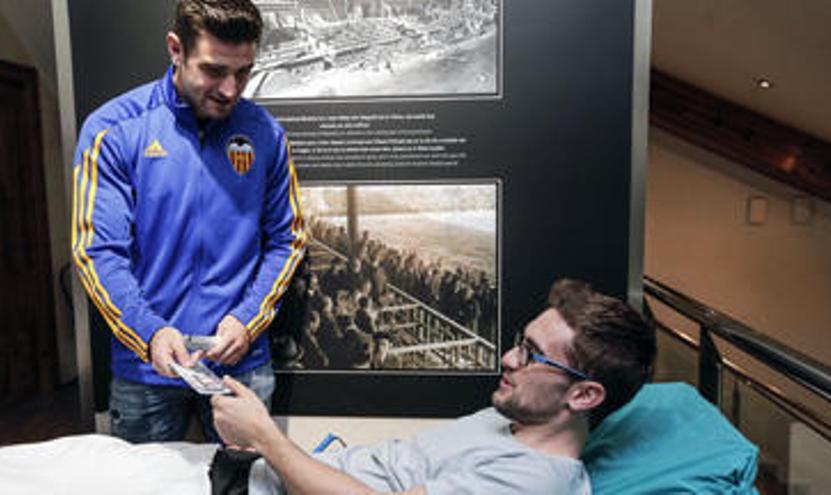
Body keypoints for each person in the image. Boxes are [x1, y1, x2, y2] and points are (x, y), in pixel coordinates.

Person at [70, 0, 305, 443]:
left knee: (247, 486)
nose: (231, 89)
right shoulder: (114, 129)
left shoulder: (266, 134)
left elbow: (287, 240)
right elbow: (97, 252)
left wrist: (247, 319)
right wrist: (150, 332)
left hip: (240, 362)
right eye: (214, 70)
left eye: (244, 72)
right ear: (175, 49)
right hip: (147, 368)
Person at [211, 278, 656, 494]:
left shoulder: (532, 480)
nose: (508, 358)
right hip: (269, 475)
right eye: (518, 343)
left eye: (531, 354)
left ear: (583, 395)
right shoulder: (509, 420)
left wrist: (266, 437)